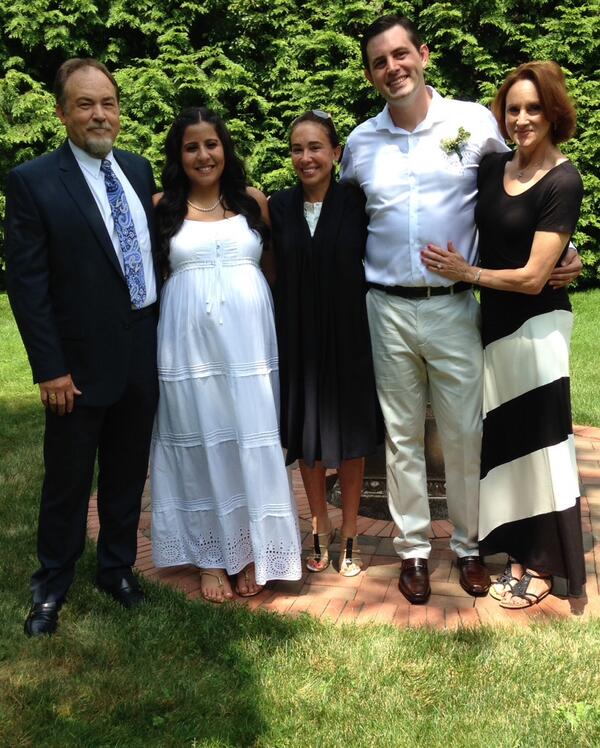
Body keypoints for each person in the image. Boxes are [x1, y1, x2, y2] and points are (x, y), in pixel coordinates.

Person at [340, 15, 582, 604]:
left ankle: (469, 547)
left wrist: (563, 248)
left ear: (423, 55)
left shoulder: (474, 123)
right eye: (379, 61)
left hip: (454, 307)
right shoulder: (360, 143)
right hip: (387, 307)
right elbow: (343, 218)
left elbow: (523, 184)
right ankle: (414, 552)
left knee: (464, 435)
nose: (393, 67)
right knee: (401, 437)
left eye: (401, 54)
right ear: (370, 75)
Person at [5, 59, 160, 636]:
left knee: (126, 473)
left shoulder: (138, 171)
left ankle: (117, 570)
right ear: (62, 113)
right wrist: (50, 369)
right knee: (68, 482)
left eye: (108, 103)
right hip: (76, 366)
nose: (100, 115)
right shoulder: (34, 181)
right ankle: (51, 586)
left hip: (141, 350)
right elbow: (28, 285)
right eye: (85, 104)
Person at [422, 61, 585, 607]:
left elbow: (535, 276)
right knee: (507, 442)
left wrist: (466, 273)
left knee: (540, 443)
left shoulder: (564, 179)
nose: (522, 119)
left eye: (534, 108)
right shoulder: (494, 167)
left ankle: (544, 564)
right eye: (513, 109)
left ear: (553, 112)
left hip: (537, 326)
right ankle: (515, 550)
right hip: (491, 324)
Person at [150, 107, 302, 603]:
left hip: (249, 349)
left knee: (249, 440)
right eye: (191, 147)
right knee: (199, 441)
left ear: (225, 148)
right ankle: (211, 558)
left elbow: (272, 272)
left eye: (211, 144)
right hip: (187, 349)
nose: (203, 155)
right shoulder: (161, 208)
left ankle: (254, 548)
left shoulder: (253, 201)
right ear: (178, 155)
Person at [270, 111, 381, 576]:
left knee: (352, 437)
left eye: (316, 147)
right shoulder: (278, 206)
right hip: (298, 338)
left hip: (350, 334)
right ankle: (320, 524)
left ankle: (350, 529)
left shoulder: (358, 202)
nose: (306, 157)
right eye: (297, 149)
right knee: (306, 434)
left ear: (336, 153)